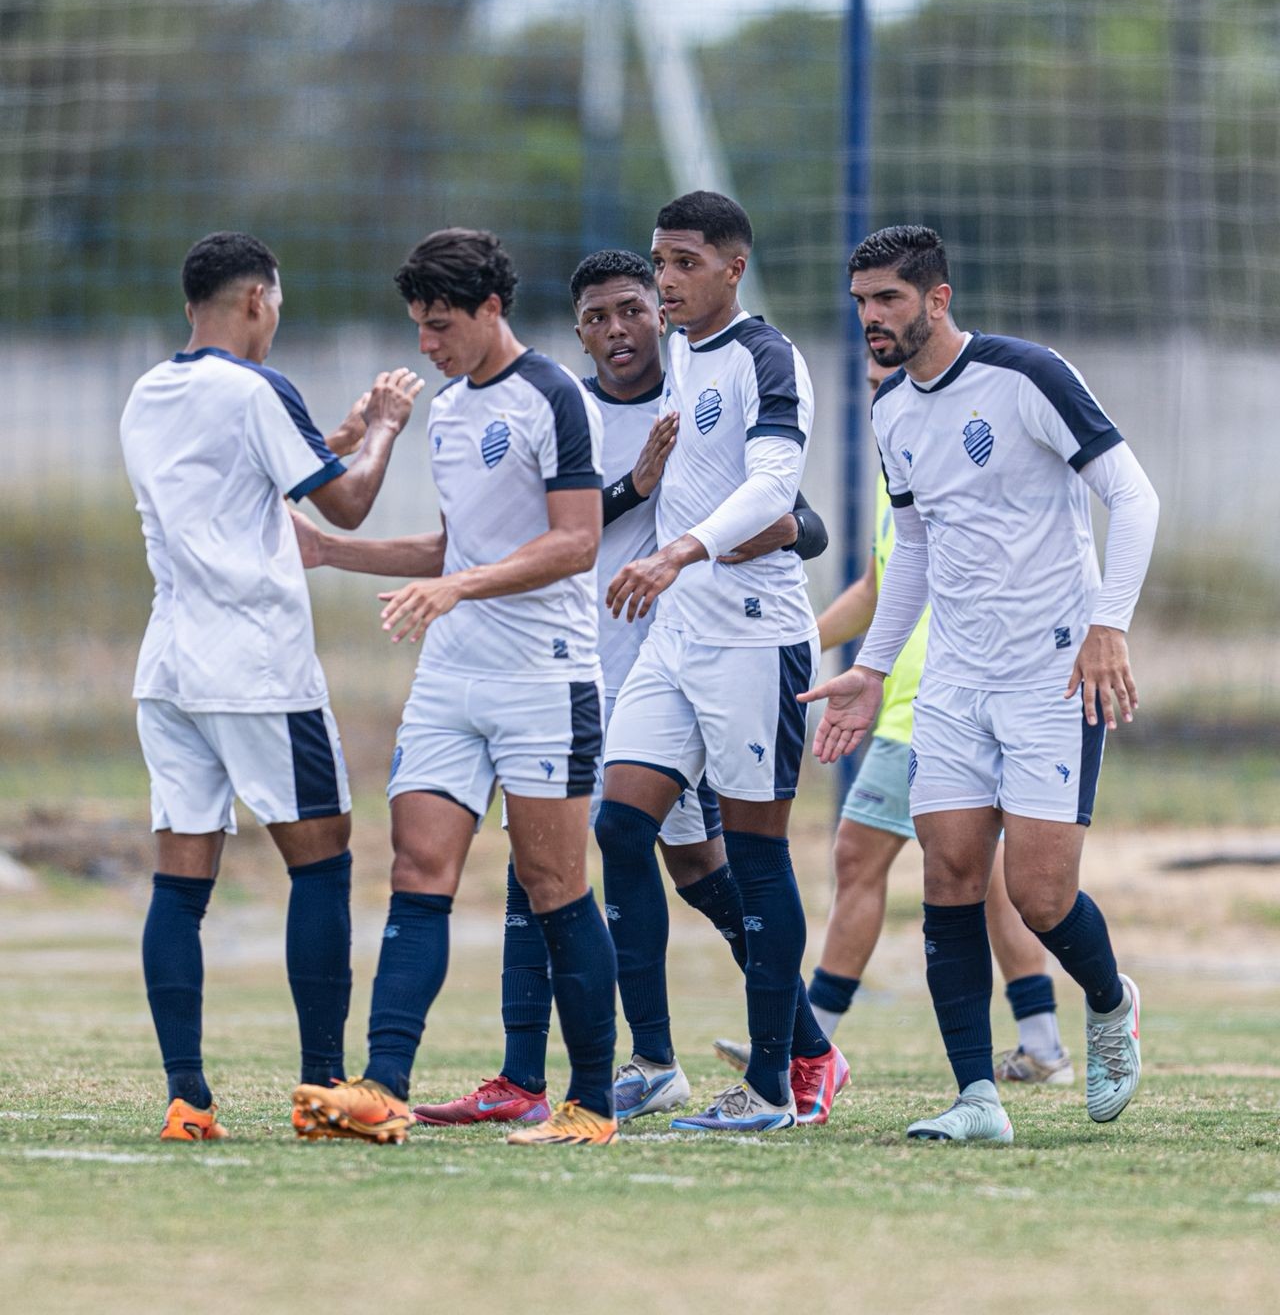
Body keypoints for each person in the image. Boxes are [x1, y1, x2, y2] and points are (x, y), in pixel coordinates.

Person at [411, 249, 829, 1128]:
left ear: (661, 312)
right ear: (579, 332)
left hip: (674, 665)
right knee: (547, 865)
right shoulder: (564, 407)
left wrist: (754, 535)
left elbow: (801, 517)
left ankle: (805, 1049)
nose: (618, 331)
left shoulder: (699, 393)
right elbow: (535, 527)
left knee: (709, 875)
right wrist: (633, 485)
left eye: (633, 309)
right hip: (573, 671)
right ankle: (539, 1072)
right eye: (598, 318)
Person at [803, 224, 1159, 1142]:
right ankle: (976, 1098)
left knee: (1040, 896)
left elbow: (1134, 495)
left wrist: (1107, 625)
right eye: (860, 303)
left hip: (1051, 670)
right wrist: (873, 669)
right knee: (951, 875)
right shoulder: (890, 411)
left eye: (887, 299)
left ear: (938, 297)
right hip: (956, 683)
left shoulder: (1026, 375)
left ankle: (1111, 1003)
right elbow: (911, 550)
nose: (871, 319)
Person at [290, 228, 621, 1147]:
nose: (427, 347)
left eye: (441, 327)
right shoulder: (449, 410)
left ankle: (590, 1104)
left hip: (543, 679)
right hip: (452, 678)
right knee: (414, 869)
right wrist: (331, 551)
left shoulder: (554, 396)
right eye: (418, 329)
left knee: (554, 884)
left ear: (489, 309)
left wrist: (458, 588)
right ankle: (383, 1089)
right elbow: (454, 547)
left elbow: (576, 542)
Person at [119, 230, 421, 1141]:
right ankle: (324, 1086)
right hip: (255, 666)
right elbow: (347, 505)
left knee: (181, 882)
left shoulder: (148, 392)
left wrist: (342, 436)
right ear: (257, 299)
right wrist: (387, 432)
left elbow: (247, 477)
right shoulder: (255, 389)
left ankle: (187, 1099)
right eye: (277, 304)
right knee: (322, 862)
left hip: (168, 667)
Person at [715, 352, 1073, 1087]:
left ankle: (807, 1045)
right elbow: (878, 589)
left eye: (892, 386)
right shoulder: (898, 478)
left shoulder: (960, 467)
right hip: (915, 703)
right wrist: (797, 643)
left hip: (936, 707)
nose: (883, 400)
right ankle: (1043, 1044)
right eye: (873, 390)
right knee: (990, 877)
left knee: (860, 859)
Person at [603, 191, 847, 1134]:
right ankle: (655, 1061)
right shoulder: (682, 362)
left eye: (684, 262)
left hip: (755, 638)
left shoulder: (764, 354)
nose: (665, 279)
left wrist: (680, 549)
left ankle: (776, 1087)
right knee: (623, 827)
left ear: (732, 266)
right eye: (659, 260)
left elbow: (776, 483)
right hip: (677, 638)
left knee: (754, 856)